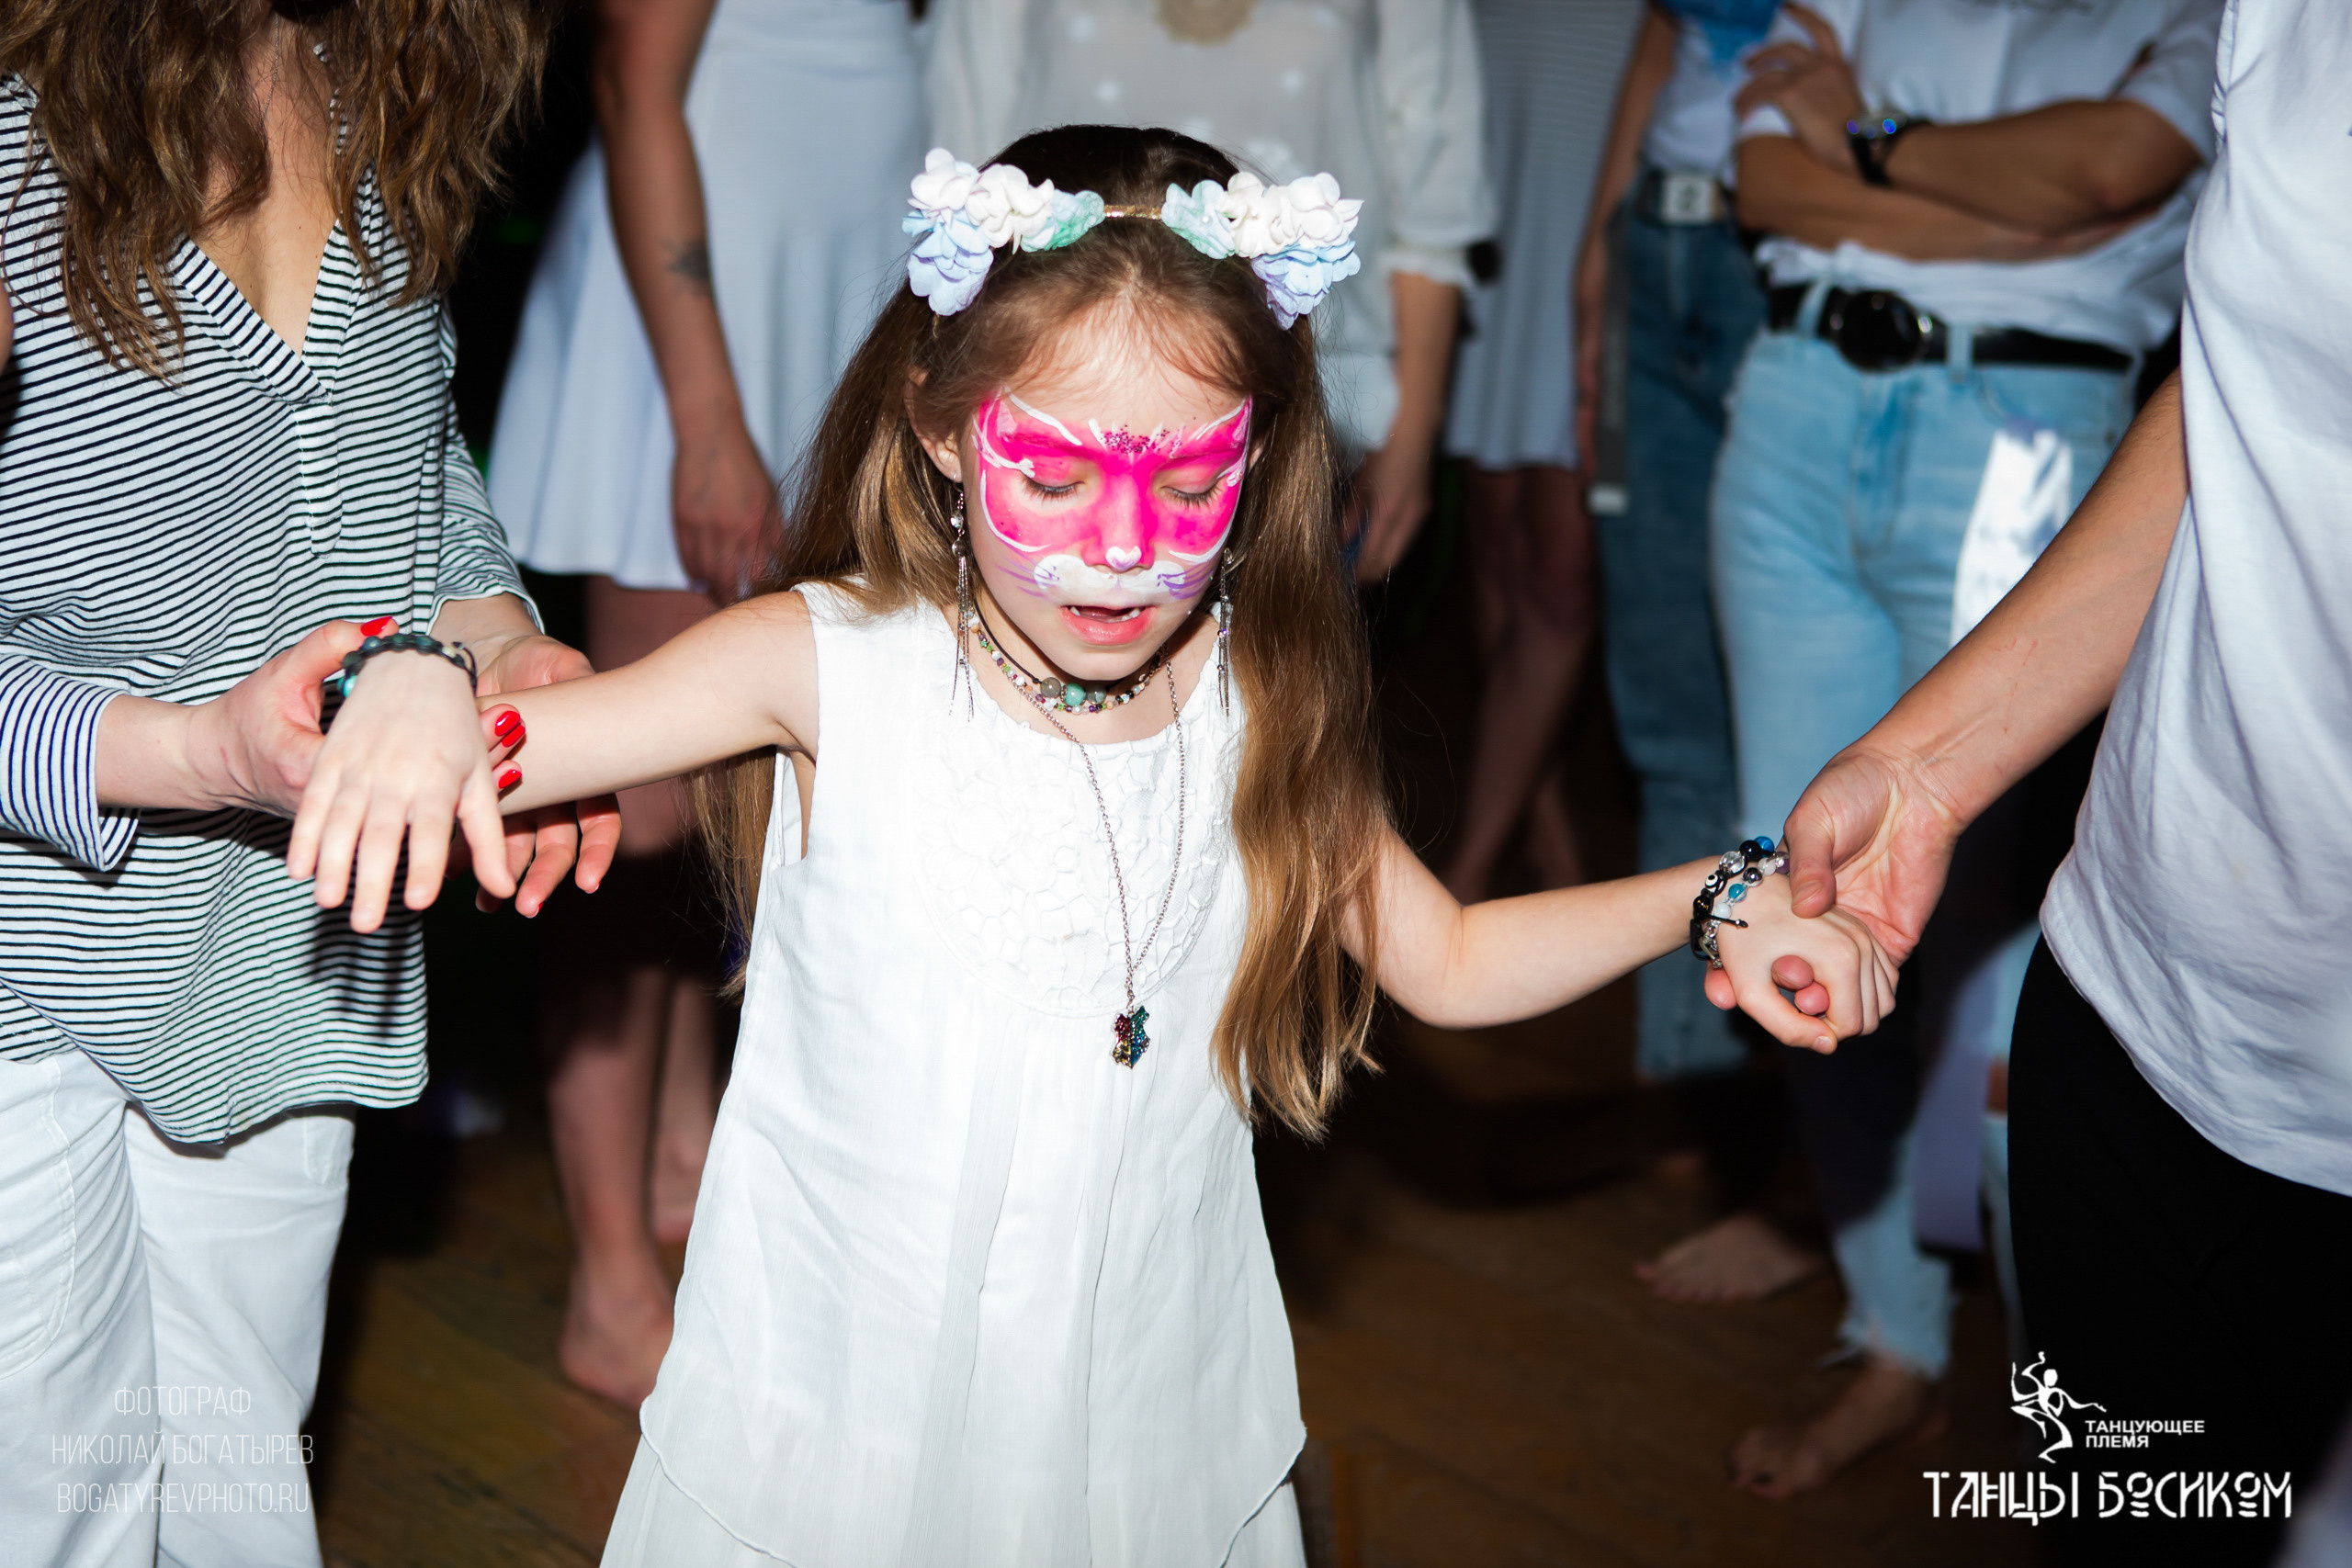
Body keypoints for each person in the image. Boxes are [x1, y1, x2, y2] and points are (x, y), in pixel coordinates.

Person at [410, 127, 1894, 1565]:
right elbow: (489, 748)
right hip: (842, 1382)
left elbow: (1448, 955)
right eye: (1053, 475)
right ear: (938, 425)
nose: (1122, 546)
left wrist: (1718, 895)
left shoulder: (1261, 701)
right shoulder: (813, 663)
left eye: (1191, 484)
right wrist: (397, 698)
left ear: (1262, 461)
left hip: (1137, 1391)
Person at [0, 5, 605, 1564]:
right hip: (26, 965)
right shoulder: (17, 133)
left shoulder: (384, 85)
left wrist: (506, 641)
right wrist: (197, 749)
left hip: (281, 947)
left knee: (236, 1492)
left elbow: (413, 481)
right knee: (57, 1511)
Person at [1767, 0, 2352, 1556]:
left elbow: (2104, 177)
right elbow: (2242, 395)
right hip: (2146, 1002)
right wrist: (1926, 764)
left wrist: (1881, 152)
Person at [1712, 0, 2220, 1500]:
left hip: (2040, 433)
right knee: (1793, 900)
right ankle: (1897, 1344)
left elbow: (2112, 171)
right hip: (1795, 412)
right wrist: (1994, 200)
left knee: (2002, 937)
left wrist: (1865, 138)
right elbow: (1768, 188)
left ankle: (2082, 1385)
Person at [489, 0, 926, 1406]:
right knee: (639, 822)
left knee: (746, 781)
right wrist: (704, 415)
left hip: (829, 285)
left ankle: (683, 1159)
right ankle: (609, 1277)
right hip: (702, 318)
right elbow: (633, 78)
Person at [923, 0, 1494, 582]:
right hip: (1046, 383)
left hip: (1317, 400)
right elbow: (963, 183)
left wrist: (1413, 431)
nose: (1126, 547)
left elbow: (1435, 206)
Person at [1574, 0, 1818, 1309]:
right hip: (1656, 232)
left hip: (1789, 252)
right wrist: (1597, 253)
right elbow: (1669, 32)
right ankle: (1685, 1092)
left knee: (1794, 734)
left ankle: (1789, 1142)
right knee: (1668, 702)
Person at [1437, 0, 1644, 905]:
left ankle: (1468, 873)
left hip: (1614, 221)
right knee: (1496, 544)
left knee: (1561, 571)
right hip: (1499, 214)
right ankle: (1542, 823)